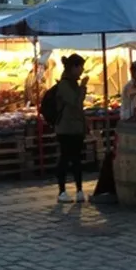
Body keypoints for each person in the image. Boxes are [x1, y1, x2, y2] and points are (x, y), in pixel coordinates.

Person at [54, 54, 89, 203]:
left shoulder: (73, 83)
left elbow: (79, 107)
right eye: (80, 67)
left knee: (76, 160)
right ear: (74, 67)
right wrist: (83, 87)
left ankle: (79, 190)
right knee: (65, 158)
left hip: (76, 128)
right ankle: (62, 191)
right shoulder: (64, 85)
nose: (82, 70)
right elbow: (75, 102)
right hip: (65, 128)